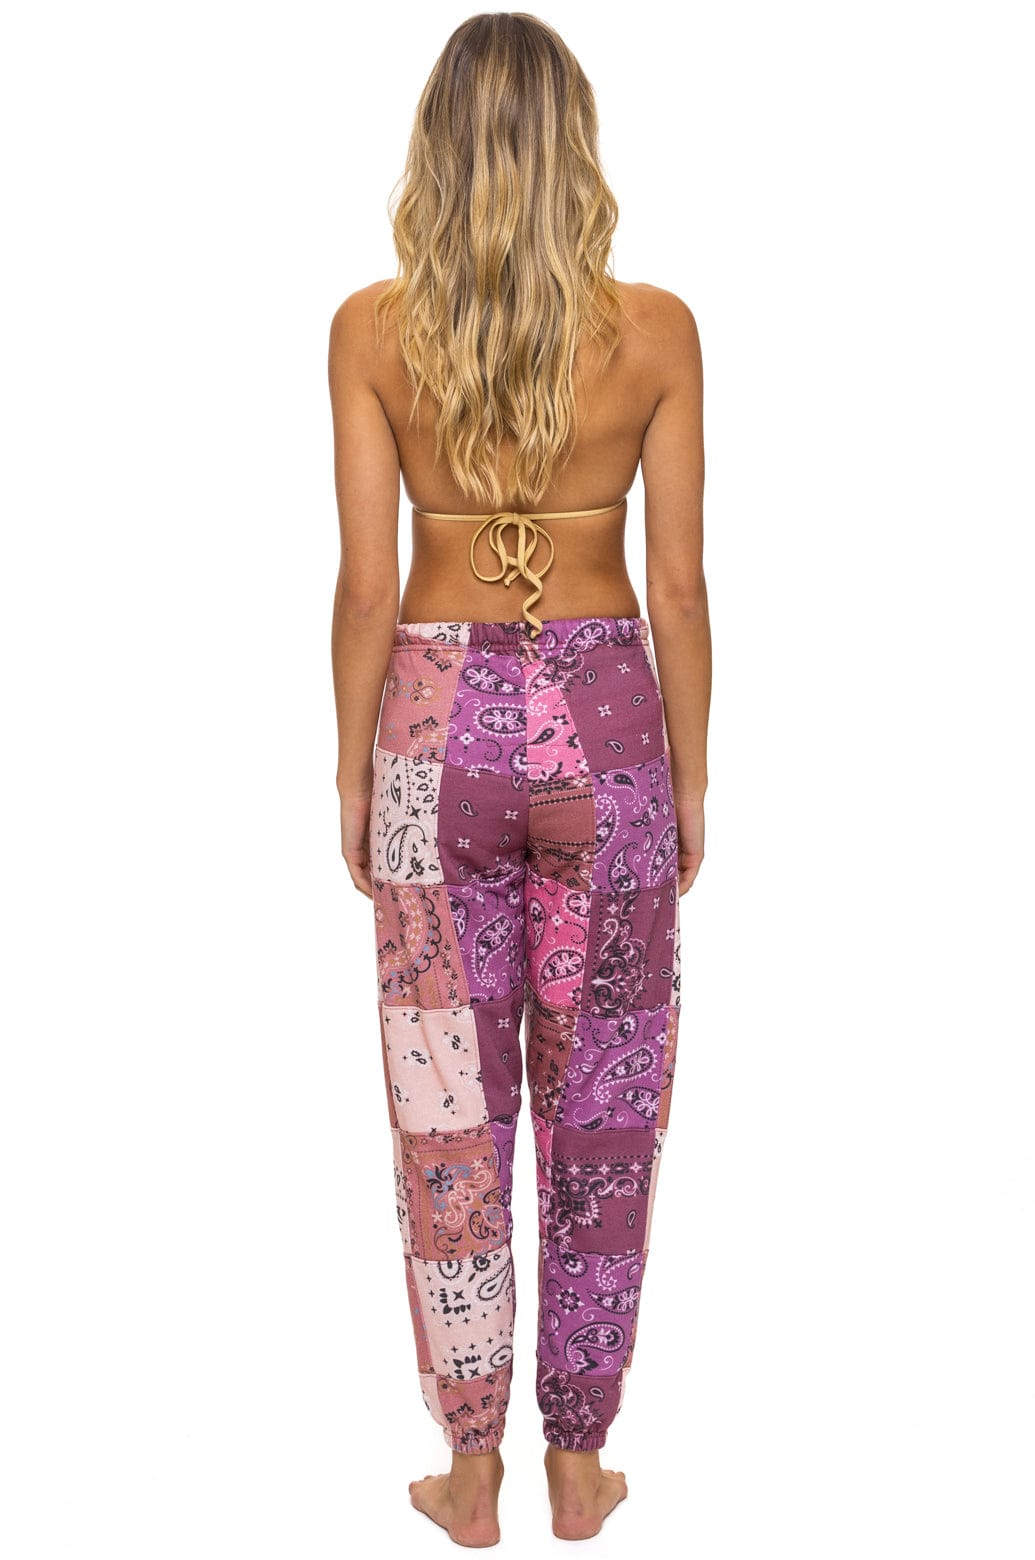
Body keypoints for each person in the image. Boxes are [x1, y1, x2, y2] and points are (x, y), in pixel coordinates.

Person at [328, 12, 709, 1546]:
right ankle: (577, 1461)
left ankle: (469, 1465)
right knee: (606, 1096)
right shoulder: (657, 332)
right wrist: (692, 779)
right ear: (578, 150)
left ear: (437, 149)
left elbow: (369, 585)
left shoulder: (371, 332)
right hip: (609, 723)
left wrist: (351, 774)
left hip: (432, 724)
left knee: (448, 1101)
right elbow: (676, 586)